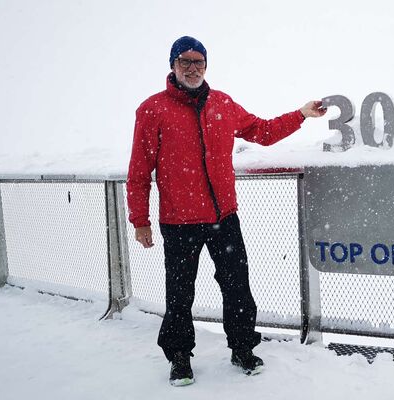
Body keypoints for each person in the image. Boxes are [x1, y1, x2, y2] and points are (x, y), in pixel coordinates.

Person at [127, 36, 325, 387]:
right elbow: (139, 171)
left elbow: (262, 131)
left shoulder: (222, 104)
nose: (192, 68)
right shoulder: (152, 109)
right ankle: (179, 358)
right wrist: (139, 221)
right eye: (185, 62)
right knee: (179, 295)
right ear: (173, 65)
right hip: (178, 222)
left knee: (237, 290)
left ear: (206, 66)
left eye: (198, 62)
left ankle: (242, 348)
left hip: (223, 218)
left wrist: (301, 115)